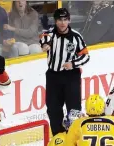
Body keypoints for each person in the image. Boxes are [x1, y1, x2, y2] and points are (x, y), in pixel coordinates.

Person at [39, 8, 90, 136]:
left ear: (69, 20)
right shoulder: (50, 34)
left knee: (74, 110)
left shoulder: (76, 36)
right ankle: (58, 138)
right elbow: (44, 38)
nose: (62, 23)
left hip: (71, 76)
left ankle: (74, 138)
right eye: (60, 20)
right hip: (53, 77)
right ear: (55, 21)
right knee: (53, 109)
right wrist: (45, 46)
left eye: (65, 19)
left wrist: (72, 64)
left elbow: (86, 56)